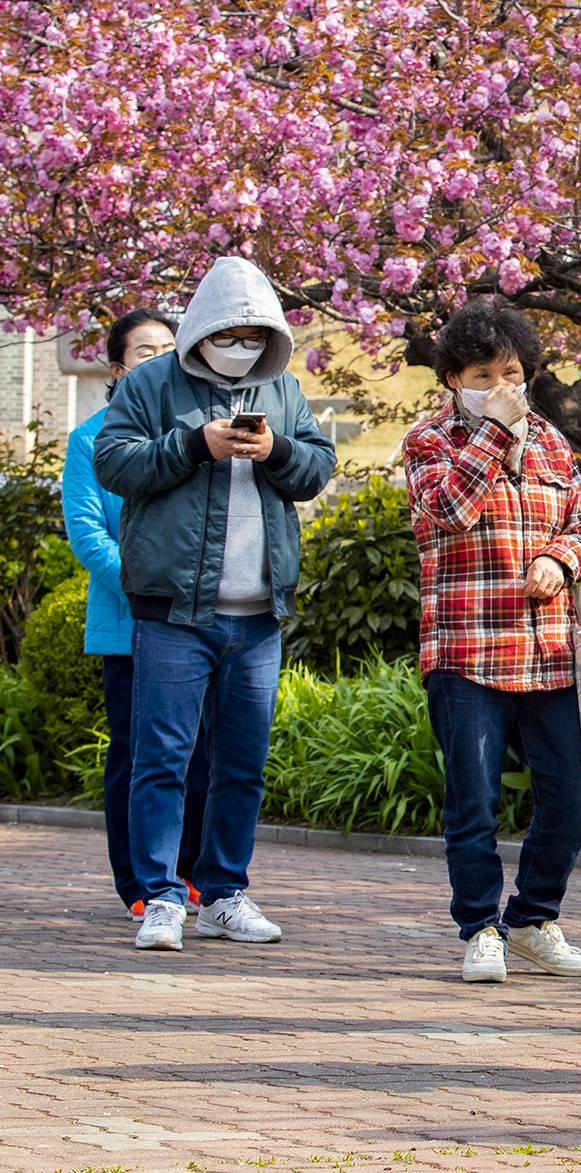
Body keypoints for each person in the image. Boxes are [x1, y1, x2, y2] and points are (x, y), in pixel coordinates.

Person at [95, 256, 337, 952]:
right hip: (174, 609)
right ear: (200, 327)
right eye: (229, 331)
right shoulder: (148, 383)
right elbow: (114, 462)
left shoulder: (284, 386)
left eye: (254, 332)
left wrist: (276, 447)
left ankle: (225, 892)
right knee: (162, 757)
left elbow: (318, 466)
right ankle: (161, 896)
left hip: (260, 612)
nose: (241, 343)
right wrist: (193, 444)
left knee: (242, 760)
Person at [403, 297, 581, 985]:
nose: (501, 384)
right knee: (474, 800)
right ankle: (479, 926)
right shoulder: (430, 443)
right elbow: (449, 511)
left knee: (572, 793)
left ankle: (533, 916)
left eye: (512, 371)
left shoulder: (550, 439)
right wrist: (492, 433)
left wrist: (562, 559)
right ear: (454, 378)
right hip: (466, 652)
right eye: (483, 373)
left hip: (548, 649)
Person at [64, 309, 213, 920]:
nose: (159, 359)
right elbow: (87, 535)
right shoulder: (90, 437)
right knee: (136, 756)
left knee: (200, 753)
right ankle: (140, 886)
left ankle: (191, 874)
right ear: (117, 367)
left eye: (169, 349)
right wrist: (150, 580)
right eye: (144, 350)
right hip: (130, 626)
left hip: (197, 621)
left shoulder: (198, 427)